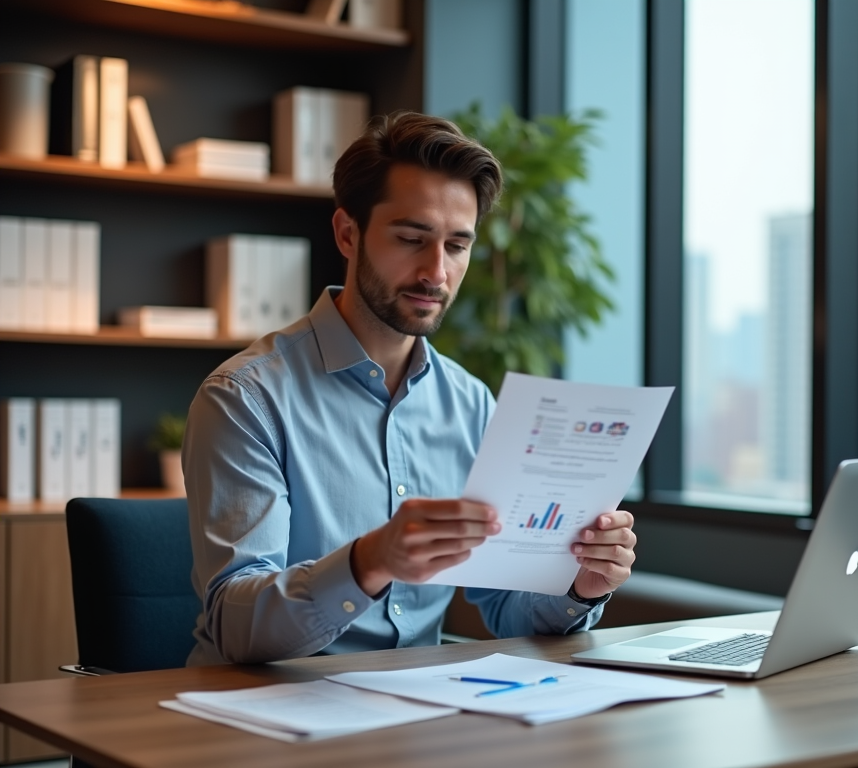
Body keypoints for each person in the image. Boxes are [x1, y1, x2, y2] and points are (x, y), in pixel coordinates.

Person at [182, 111, 637, 665]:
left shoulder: (470, 404)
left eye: (456, 246)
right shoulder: (245, 398)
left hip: (410, 718)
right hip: (261, 715)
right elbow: (236, 625)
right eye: (411, 238)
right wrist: (368, 561)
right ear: (348, 234)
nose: (436, 273)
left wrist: (577, 587)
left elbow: (504, 608)